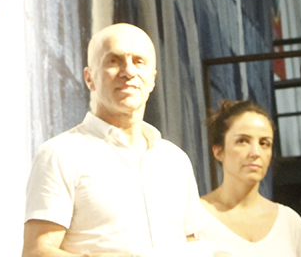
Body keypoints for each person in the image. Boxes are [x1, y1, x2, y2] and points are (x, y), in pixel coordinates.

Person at [22, 23, 211, 257]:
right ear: (89, 77)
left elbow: (190, 243)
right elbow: (36, 252)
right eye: (114, 61)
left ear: (152, 79)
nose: (128, 71)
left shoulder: (175, 160)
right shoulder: (60, 154)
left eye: (139, 61)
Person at [197, 100, 301, 257]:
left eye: (264, 143)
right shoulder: (195, 218)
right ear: (218, 151)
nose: (255, 152)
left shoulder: (289, 222)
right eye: (242, 141)